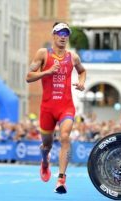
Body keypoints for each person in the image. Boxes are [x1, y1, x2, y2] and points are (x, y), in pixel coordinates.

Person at [26, 22, 86, 194]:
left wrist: (81, 83)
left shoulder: (73, 57)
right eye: (59, 32)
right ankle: (45, 160)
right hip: (47, 108)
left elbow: (82, 71)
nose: (63, 36)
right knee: (47, 145)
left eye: (66, 33)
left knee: (65, 136)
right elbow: (28, 77)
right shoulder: (43, 53)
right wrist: (47, 72)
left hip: (66, 107)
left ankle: (61, 179)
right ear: (53, 35)